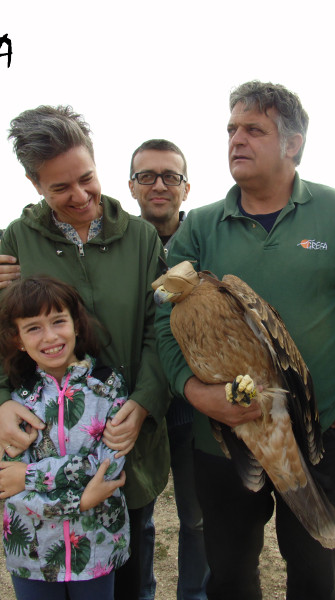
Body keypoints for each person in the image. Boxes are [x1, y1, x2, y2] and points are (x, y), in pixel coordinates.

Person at [154, 81, 335, 600]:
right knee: (228, 573)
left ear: (292, 144)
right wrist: (194, 393)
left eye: (253, 129)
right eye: (230, 129)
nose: (235, 140)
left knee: (315, 572)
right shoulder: (199, 228)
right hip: (220, 436)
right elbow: (161, 324)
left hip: (323, 432)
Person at [0, 105, 170, 600]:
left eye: (87, 178)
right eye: (60, 188)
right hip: (48, 456)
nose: (80, 196)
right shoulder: (18, 239)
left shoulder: (143, 239)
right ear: (33, 183)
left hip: (127, 441)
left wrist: (144, 401)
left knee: (131, 574)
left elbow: (159, 331)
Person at [0, 275, 130, 599]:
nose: (50, 336)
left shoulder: (108, 388)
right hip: (32, 555)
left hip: (97, 547)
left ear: (76, 325)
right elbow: (11, 486)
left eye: (58, 321)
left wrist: (30, 476)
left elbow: (108, 465)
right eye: (34, 327)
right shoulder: (17, 402)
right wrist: (79, 499)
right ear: (18, 340)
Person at [128, 139, 209, 600]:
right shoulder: (115, 243)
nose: (159, 185)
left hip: (196, 403)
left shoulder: (206, 238)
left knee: (197, 517)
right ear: (132, 186)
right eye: (147, 176)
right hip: (138, 401)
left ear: (186, 187)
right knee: (138, 515)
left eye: (170, 176)